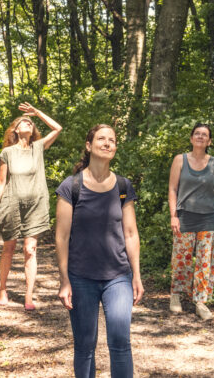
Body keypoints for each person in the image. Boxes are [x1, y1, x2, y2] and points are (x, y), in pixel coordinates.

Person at [56, 124, 145, 378]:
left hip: (118, 276)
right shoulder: (70, 186)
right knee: (84, 345)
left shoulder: (123, 186)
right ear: (89, 145)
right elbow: (61, 238)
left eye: (112, 140)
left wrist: (136, 276)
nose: (107, 143)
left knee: (120, 342)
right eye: (101, 139)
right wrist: (64, 280)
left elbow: (130, 233)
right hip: (81, 277)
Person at [0, 102, 62, 310]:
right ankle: (3, 289)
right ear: (15, 129)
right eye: (24, 122)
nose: (28, 124)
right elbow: (1, 182)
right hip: (11, 204)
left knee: (30, 249)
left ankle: (28, 296)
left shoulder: (38, 148)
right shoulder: (8, 152)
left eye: (31, 123)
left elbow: (57, 128)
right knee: (9, 247)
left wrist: (37, 113)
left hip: (36, 205)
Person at [168, 123, 214, 321]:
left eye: (205, 135)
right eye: (197, 134)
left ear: (209, 141)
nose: (201, 137)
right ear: (191, 138)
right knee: (181, 258)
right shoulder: (180, 160)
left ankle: (200, 302)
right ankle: (176, 295)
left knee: (204, 262)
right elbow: (172, 190)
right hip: (185, 216)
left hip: (209, 218)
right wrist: (173, 215)